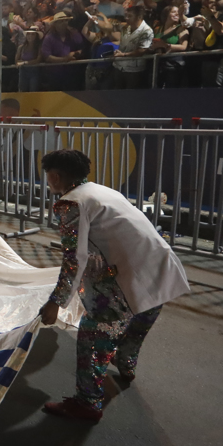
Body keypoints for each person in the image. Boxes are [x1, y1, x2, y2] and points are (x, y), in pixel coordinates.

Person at [37, 150, 190, 422]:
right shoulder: (101, 190)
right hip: (161, 267)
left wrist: (56, 302)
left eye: (48, 177)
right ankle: (126, 364)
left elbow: (75, 257)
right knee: (139, 320)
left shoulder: (70, 203)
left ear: (55, 176)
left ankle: (87, 403)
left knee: (92, 334)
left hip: (131, 276)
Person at [110, 5, 154, 89]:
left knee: (131, 96)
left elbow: (142, 50)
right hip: (118, 66)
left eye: (130, 16)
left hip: (133, 70)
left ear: (139, 17)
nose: (126, 18)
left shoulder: (147, 31)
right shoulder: (126, 27)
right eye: (126, 15)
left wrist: (123, 55)